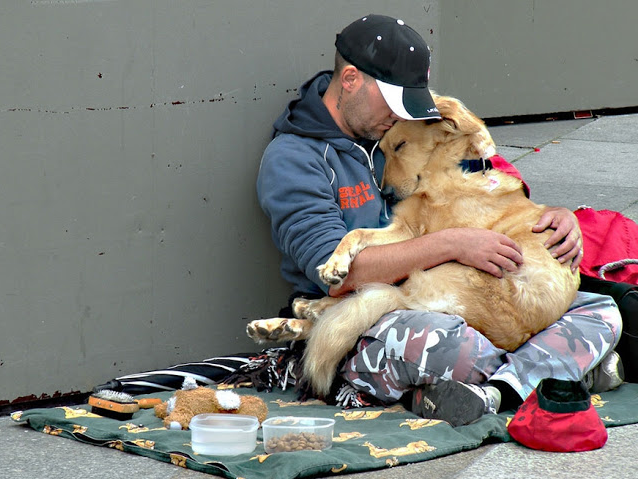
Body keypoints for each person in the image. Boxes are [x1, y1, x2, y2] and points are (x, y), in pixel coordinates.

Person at [256, 14, 623, 426]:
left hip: (464, 294)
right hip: (365, 315)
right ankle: (557, 371)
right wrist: (453, 243)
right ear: (352, 80)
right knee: (450, 346)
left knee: (601, 309)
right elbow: (337, 275)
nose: (399, 117)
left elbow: (488, 178)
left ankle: (494, 392)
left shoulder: (395, 123)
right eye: (394, 104)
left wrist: (556, 217)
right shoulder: (294, 160)